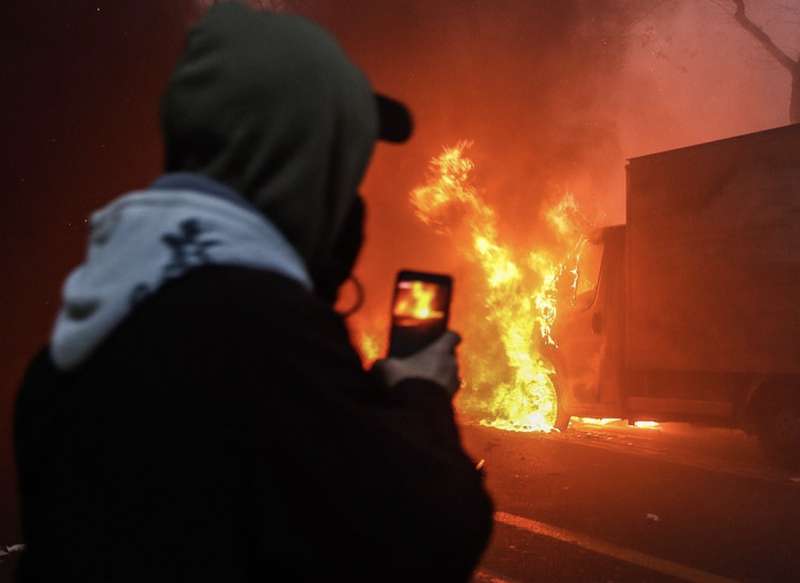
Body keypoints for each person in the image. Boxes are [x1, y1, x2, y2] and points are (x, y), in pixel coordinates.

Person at [13, 3, 493, 582]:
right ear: (292, 167)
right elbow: (430, 532)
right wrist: (420, 394)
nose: (349, 206)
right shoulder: (255, 329)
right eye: (339, 174)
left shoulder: (101, 312)